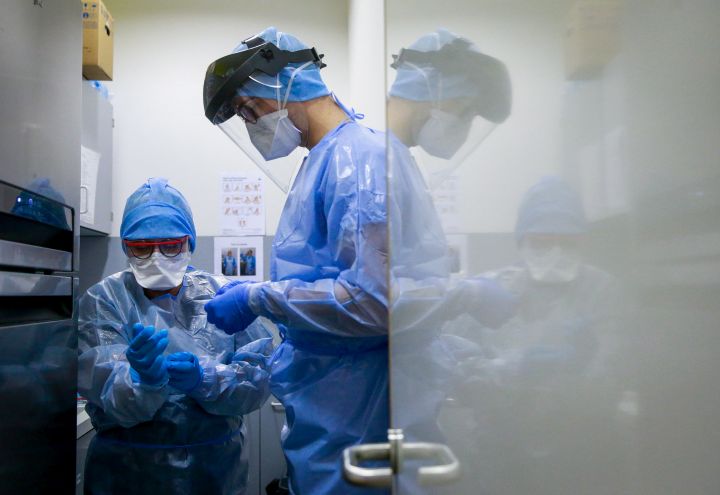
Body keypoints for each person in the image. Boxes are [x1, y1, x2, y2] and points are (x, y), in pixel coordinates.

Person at [201, 26, 458, 494]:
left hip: (361, 410)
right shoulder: (326, 159)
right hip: (337, 408)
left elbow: (371, 301)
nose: (251, 123)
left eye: (249, 110)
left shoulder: (356, 161)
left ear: (285, 85)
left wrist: (259, 297)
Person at [77, 177, 273, 495]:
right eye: (141, 247)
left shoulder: (223, 295)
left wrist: (205, 379)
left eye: (170, 245)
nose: (156, 256)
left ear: (189, 243)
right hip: (126, 476)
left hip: (214, 473)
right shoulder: (104, 300)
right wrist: (143, 380)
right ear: (126, 246)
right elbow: (109, 395)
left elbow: (258, 380)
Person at [451, 176, 626, 495]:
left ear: (583, 242)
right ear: (521, 241)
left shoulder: (603, 291)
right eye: (542, 241)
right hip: (501, 449)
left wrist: (583, 370)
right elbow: (458, 375)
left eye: (567, 241)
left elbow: (612, 380)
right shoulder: (491, 292)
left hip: (582, 450)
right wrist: (512, 370)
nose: (556, 251)